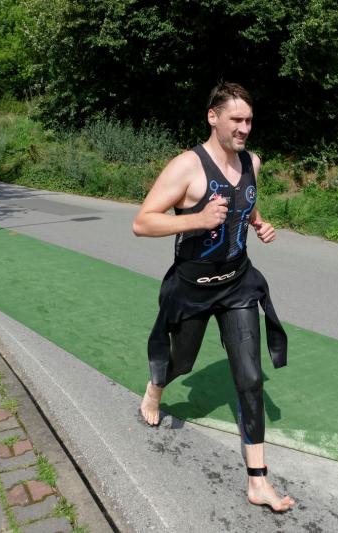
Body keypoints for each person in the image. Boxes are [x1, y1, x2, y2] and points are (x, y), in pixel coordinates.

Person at [132, 82, 295, 512]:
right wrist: (197, 219)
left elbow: (247, 202)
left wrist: (259, 223)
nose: (244, 128)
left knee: (250, 377)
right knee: (181, 361)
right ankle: (155, 388)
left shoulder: (252, 162)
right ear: (213, 117)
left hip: (238, 284)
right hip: (193, 287)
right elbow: (143, 222)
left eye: (249, 120)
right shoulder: (187, 167)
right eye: (236, 119)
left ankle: (258, 481)